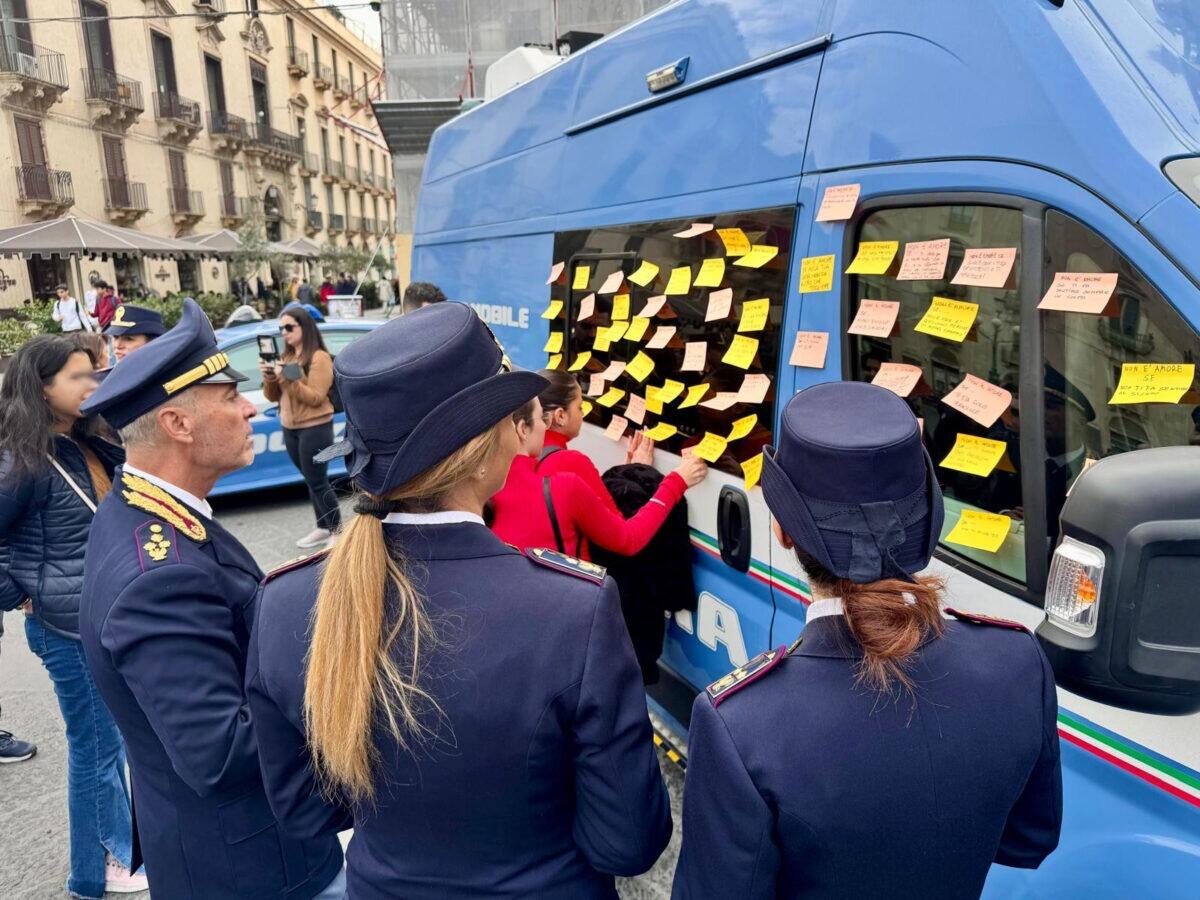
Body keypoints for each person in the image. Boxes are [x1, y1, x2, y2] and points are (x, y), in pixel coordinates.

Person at [249, 302, 671, 898]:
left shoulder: (285, 601)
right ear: (485, 448)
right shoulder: (573, 609)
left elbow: (310, 814)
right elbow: (628, 841)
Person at [672, 381, 1062, 900]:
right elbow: (1028, 840)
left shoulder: (740, 724)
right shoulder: (1017, 660)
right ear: (926, 517)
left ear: (784, 531)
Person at [77, 299, 345, 900]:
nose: (250, 405)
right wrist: (337, 677)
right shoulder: (158, 575)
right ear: (177, 424)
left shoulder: (145, 510)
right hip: (255, 867)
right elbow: (221, 754)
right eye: (230, 396)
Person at [0, 335, 144, 897]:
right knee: (95, 747)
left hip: (101, 613)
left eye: (95, 373)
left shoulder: (79, 441)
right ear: (42, 388)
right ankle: (94, 871)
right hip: (65, 625)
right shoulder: (21, 457)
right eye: (80, 377)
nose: (93, 385)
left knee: (115, 744)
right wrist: (20, 594)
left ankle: (120, 850)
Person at [491, 391, 707, 558]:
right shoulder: (565, 486)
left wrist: (631, 471)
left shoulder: (481, 488)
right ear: (522, 428)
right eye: (540, 419)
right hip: (568, 607)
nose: (545, 426)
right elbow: (628, 539)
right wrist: (676, 481)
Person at [260, 305, 342, 548]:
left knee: (318, 479)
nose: (284, 333)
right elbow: (272, 396)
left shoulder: (319, 357)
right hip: (290, 426)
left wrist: (288, 378)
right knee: (310, 478)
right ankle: (322, 526)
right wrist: (270, 377)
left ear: (304, 327)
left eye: (289, 327)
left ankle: (337, 530)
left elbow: (316, 397)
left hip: (316, 427)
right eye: (281, 328)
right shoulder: (285, 358)